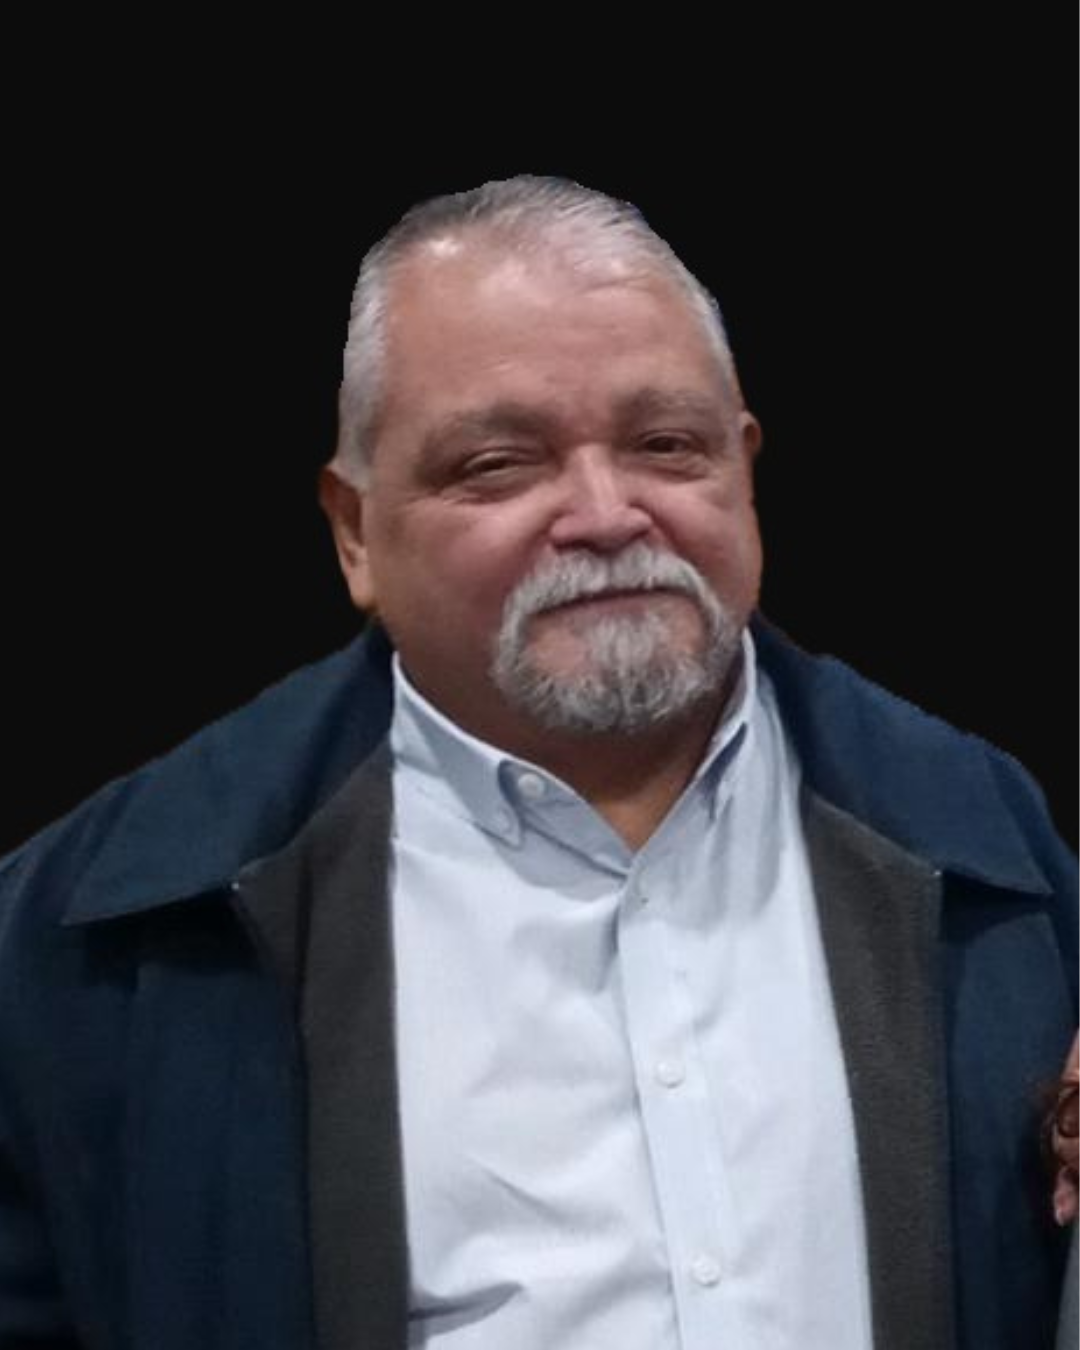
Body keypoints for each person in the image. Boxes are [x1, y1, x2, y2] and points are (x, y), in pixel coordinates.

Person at [0, 176, 1075, 1350]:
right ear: (354, 530)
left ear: (745, 465)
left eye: (667, 445)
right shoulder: (96, 937)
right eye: (500, 465)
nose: (607, 513)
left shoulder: (989, 837)